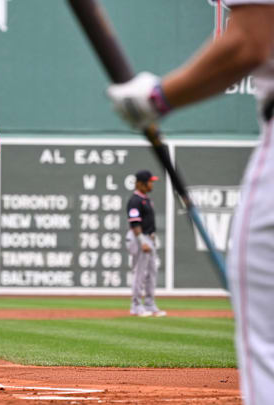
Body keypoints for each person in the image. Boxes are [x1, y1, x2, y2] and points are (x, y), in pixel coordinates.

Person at [106, 2, 274, 404]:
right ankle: (140, 306)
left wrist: (156, 99)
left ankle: (144, 305)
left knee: (265, 337)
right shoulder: (137, 199)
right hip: (141, 239)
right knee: (143, 273)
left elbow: (250, 40)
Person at [125, 170, 165, 317]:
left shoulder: (145, 199)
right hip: (139, 237)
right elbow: (135, 223)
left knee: (151, 273)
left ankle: (149, 304)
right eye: (149, 181)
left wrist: (151, 237)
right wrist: (142, 240)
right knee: (139, 273)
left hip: (148, 237)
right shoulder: (135, 200)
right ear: (141, 184)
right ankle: (135, 306)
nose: (151, 184)